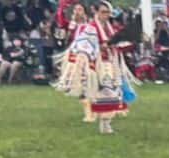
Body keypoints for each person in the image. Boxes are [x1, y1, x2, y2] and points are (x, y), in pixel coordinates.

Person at [53, 0, 135, 132]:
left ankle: (106, 121)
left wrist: (125, 42)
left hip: (111, 62)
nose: (106, 15)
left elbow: (119, 43)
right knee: (103, 91)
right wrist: (100, 47)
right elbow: (82, 45)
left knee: (112, 91)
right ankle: (102, 121)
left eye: (108, 12)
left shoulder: (110, 28)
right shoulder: (91, 28)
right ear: (95, 12)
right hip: (96, 64)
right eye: (103, 12)